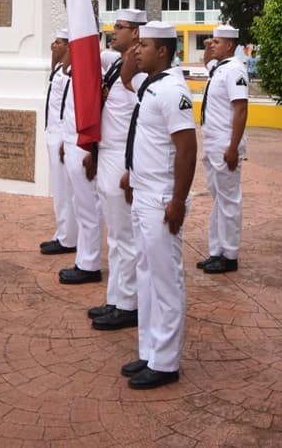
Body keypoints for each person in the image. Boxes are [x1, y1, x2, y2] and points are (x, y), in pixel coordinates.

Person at [120, 22, 197, 389]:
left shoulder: (173, 91)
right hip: (142, 191)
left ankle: (166, 362)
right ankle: (149, 350)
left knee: (166, 279)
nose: (137, 50)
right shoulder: (149, 85)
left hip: (162, 197)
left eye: (144, 45)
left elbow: (186, 147)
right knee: (147, 276)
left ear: (163, 52)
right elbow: (125, 76)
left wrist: (178, 200)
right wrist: (131, 173)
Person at [88, 9, 147, 331]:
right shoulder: (114, 62)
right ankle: (117, 298)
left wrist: (131, 167)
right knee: (117, 235)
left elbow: (142, 123)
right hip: (107, 153)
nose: (114, 32)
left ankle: (130, 303)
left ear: (136, 34)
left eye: (121, 28)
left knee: (126, 235)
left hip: (124, 158)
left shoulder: (139, 72)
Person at [197, 25, 248, 274]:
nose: (212, 45)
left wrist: (233, 147)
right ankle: (216, 251)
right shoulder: (218, 68)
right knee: (218, 199)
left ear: (229, 45)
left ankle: (230, 255)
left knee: (228, 200)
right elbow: (206, 61)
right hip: (212, 143)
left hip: (225, 145)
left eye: (216, 42)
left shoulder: (235, 70)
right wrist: (208, 49)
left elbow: (241, 109)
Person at [57, 43, 104, 285]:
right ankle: (84, 259)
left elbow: (98, 112)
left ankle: (90, 263)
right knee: (80, 204)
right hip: (74, 142)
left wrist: (92, 150)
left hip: (85, 146)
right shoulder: (77, 67)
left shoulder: (99, 65)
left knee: (89, 208)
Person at [39, 29, 77, 256]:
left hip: (62, 135)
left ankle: (67, 238)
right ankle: (63, 231)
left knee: (65, 189)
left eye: (59, 42)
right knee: (59, 189)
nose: (53, 45)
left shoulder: (72, 73)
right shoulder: (58, 70)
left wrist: (65, 138)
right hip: (52, 132)